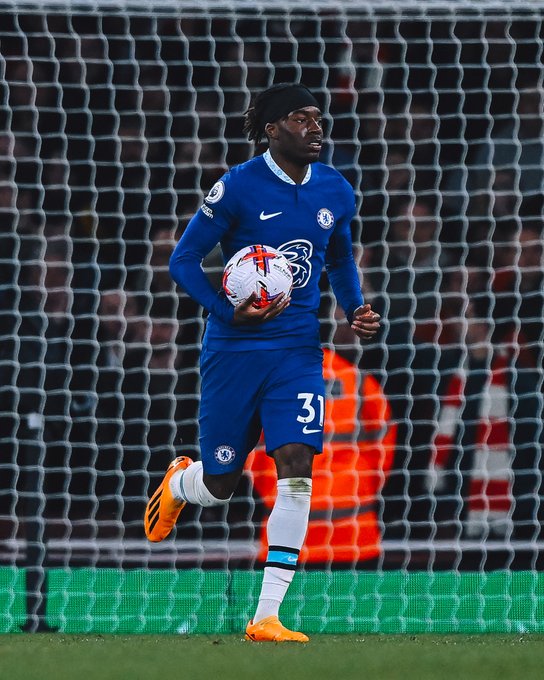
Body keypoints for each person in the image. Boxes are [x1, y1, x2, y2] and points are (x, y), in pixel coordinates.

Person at [144, 82, 380, 642]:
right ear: (271, 130)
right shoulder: (237, 187)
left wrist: (354, 307)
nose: (315, 128)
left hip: (298, 350)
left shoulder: (335, 188)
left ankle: (266, 616)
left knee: (297, 463)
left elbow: (340, 258)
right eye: (300, 118)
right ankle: (181, 484)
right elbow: (183, 260)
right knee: (221, 482)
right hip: (233, 351)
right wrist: (226, 309)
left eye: (317, 117)